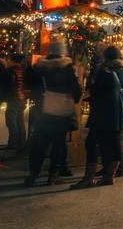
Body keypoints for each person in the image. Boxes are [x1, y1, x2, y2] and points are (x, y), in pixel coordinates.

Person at [72, 46, 123, 189]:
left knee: (92, 142)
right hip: (118, 111)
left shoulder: (104, 71)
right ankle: (109, 175)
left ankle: (89, 177)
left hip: (103, 111)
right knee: (114, 142)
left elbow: (95, 90)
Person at [25, 40, 81, 186]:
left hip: (41, 109)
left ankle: (33, 173)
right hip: (61, 111)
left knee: (39, 143)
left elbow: (29, 84)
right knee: (59, 144)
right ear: (63, 51)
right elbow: (76, 89)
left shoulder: (39, 66)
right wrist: (71, 99)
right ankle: (53, 175)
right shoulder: (68, 67)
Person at [5, 53, 27, 150]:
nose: (7, 61)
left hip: (13, 98)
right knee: (20, 121)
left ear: (12, 60)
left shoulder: (10, 71)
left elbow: (9, 85)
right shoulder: (24, 70)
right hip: (22, 98)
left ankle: (13, 143)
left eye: (9, 59)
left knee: (11, 121)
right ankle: (21, 143)